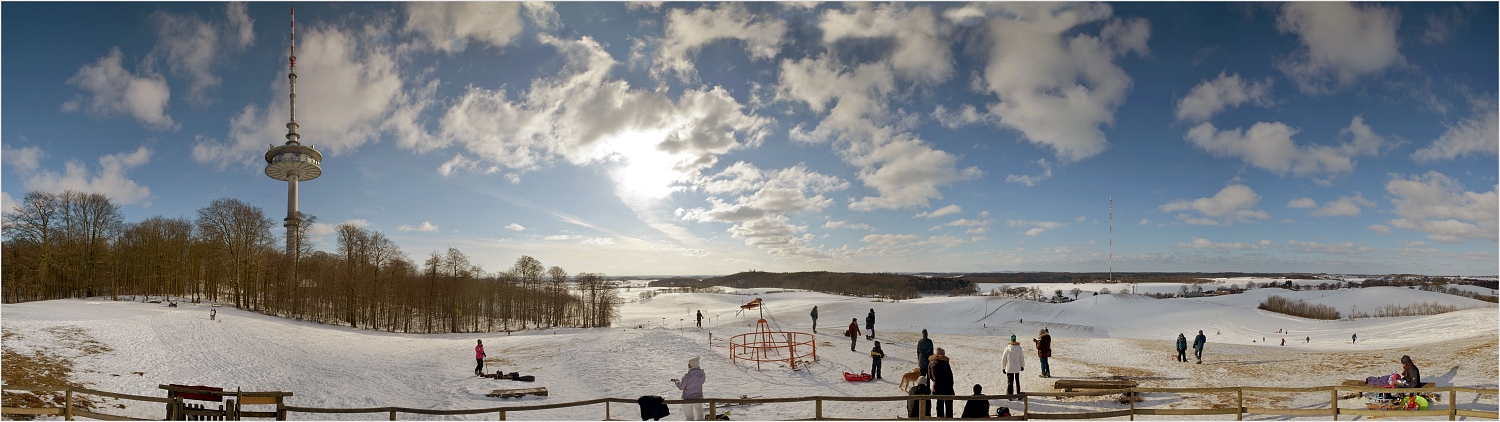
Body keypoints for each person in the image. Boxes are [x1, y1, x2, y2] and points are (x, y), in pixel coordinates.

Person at [671, 356, 705, 421]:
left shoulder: (686, 376)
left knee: (689, 417)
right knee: (700, 416)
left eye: (689, 364)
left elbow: (681, 387)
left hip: (687, 399)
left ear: (692, 365)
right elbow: (701, 382)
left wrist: (676, 381)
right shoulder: (702, 374)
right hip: (699, 398)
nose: (688, 365)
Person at [929, 348, 955, 418]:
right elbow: (950, 376)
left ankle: (940, 420)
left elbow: (930, 376)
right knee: (949, 406)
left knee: (939, 405)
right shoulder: (945, 363)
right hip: (947, 388)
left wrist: (936, 381)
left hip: (937, 388)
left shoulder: (931, 363)